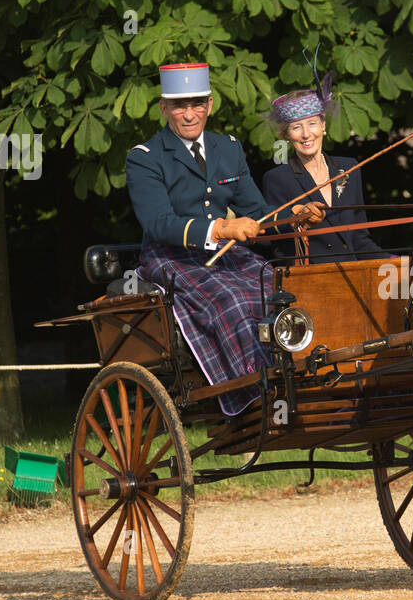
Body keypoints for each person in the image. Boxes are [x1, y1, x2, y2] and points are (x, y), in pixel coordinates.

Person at [125, 62, 324, 415]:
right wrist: (220, 228)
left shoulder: (228, 148)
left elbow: (257, 211)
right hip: (170, 257)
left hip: (225, 252)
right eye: (179, 106)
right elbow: (158, 223)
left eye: (197, 104)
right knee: (231, 299)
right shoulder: (144, 158)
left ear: (210, 105)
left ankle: (303, 379)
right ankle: (252, 392)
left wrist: (295, 215)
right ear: (164, 108)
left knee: (278, 287)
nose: (189, 115)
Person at [260, 81, 387, 263]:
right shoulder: (277, 179)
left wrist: (396, 262)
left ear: (323, 125)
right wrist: (297, 219)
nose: (306, 134)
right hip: (311, 278)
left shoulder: (349, 169)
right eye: (296, 127)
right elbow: (274, 241)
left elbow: (359, 239)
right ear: (287, 135)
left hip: (353, 274)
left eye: (312, 123)